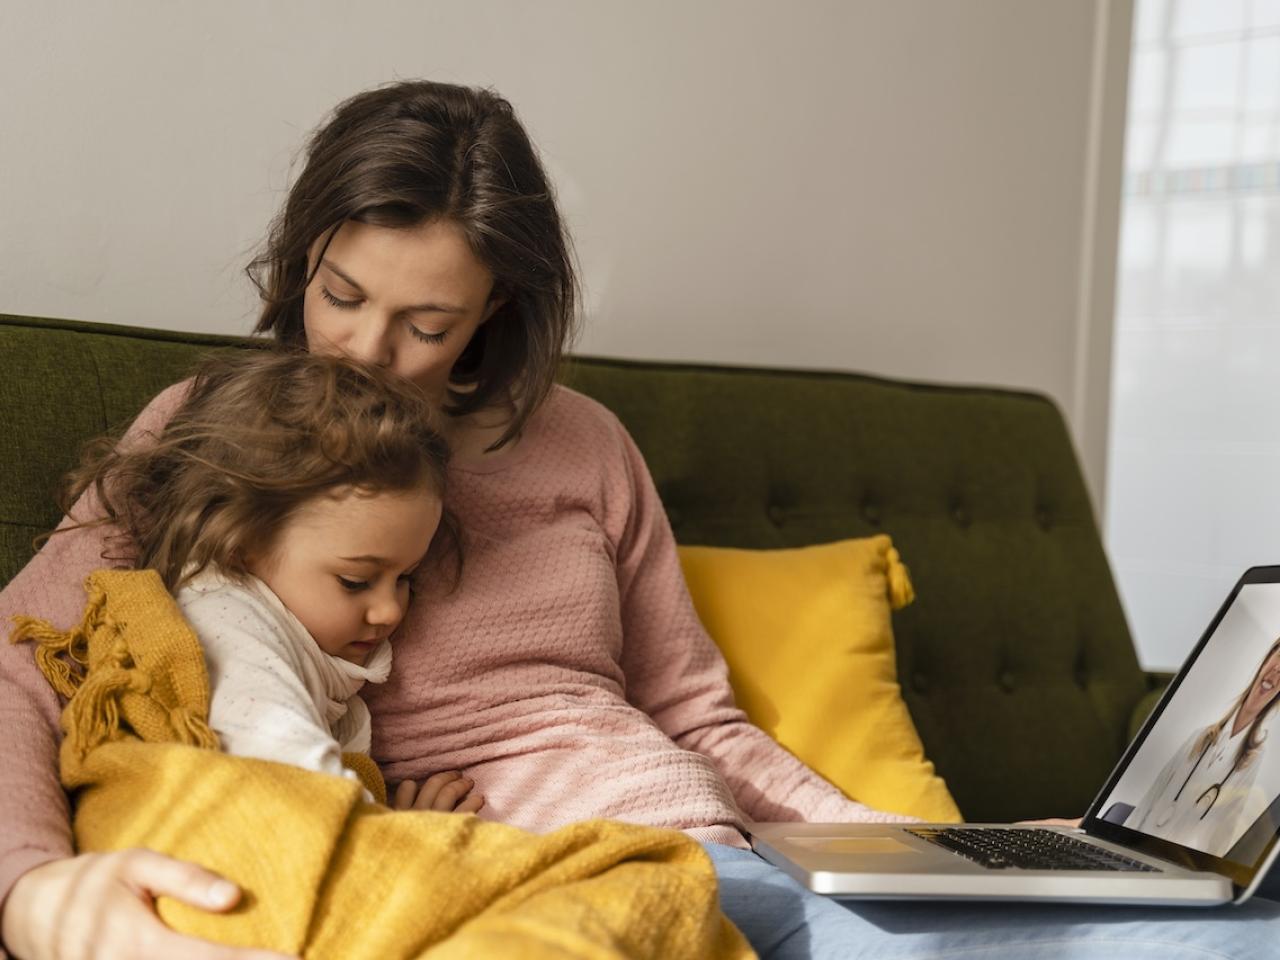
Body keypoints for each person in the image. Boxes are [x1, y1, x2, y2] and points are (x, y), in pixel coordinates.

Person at [1, 79, 1277, 960]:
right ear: (300, 260)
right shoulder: (209, 431)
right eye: (339, 295)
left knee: (1207, 924)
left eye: (428, 325)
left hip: (716, 845)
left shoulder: (583, 445)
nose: (365, 351)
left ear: (497, 312)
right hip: (547, 881)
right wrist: (29, 884)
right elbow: (26, 664)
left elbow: (697, 715)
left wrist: (937, 849)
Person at [38, 347, 483, 816]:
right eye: (356, 580)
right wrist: (409, 837)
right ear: (239, 544)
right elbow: (292, 778)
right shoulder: (227, 619)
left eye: (405, 577)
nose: (390, 610)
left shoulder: (294, 632)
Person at [1129, 638, 1280, 857]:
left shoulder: (1254, 761)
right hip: (1137, 848)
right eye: (1278, 656)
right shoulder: (1199, 737)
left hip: (1179, 863)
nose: (1277, 669)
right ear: (1267, 659)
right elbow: (1150, 799)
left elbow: (1222, 839)